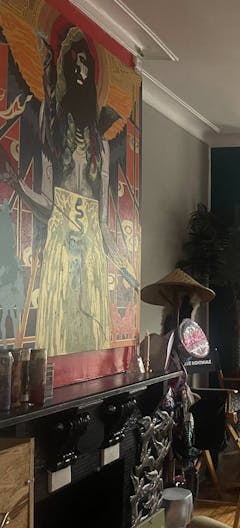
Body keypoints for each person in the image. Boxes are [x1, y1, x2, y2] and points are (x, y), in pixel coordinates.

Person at [1, 26, 131, 355]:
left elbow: (102, 222)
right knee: (58, 339)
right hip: (60, 243)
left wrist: (124, 263)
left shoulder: (99, 145)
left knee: (88, 341)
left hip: (90, 253)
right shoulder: (53, 126)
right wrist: (16, 184)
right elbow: (47, 203)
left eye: (86, 63)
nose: (81, 71)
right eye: (73, 64)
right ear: (62, 72)